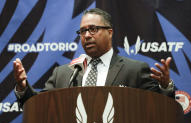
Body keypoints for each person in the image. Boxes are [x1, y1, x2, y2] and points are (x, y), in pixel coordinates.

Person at [13, 8, 174, 106]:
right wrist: (23, 87)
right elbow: (39, 106)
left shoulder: (135, 70)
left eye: (93, 29)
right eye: (83, 31)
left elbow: (158, 109)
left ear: (109, 32)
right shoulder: (63, 74)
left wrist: (165, 87)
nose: (87, 35)